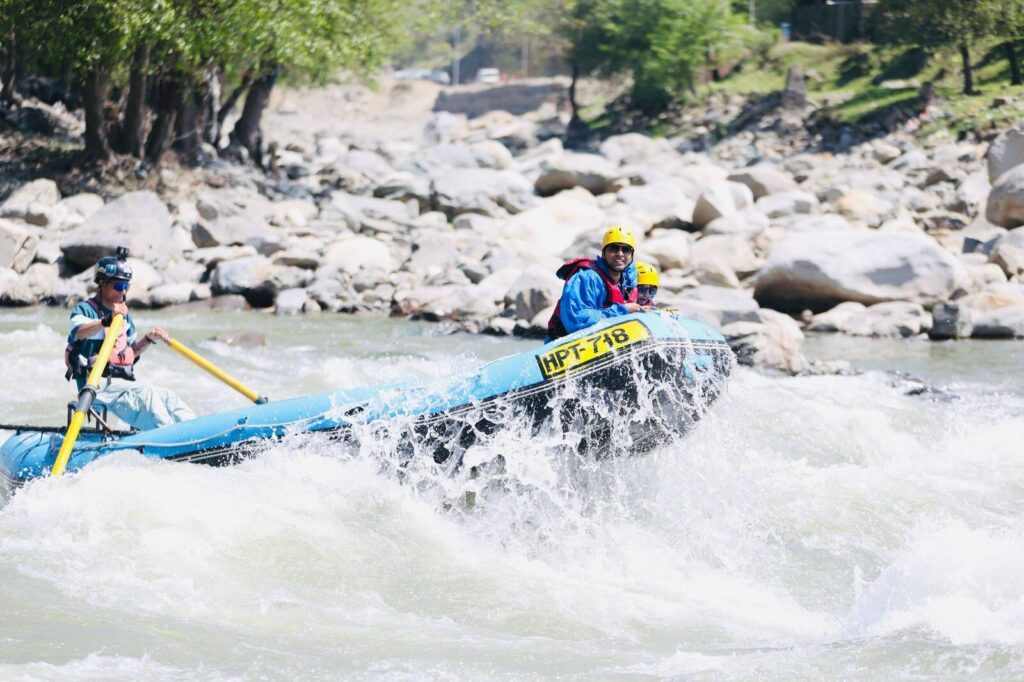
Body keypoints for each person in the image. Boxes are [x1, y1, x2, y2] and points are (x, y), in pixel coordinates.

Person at [65, 249, 195, 431]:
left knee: (167, 396)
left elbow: (130, 353)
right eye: (118, 286)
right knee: (147, 393)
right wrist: (106, 321)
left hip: (121, 383)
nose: (124, 291)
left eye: (127, 286)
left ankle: (195, 431)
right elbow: (79, 333)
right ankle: (173, 437)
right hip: (96, 386)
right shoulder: (84, 310)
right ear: (102, 284)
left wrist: (148, 340)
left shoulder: (124, 316)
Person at [546, 226, 650, 341]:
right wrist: (622, 310)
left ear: (631, 255)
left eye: (626, 250)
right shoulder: (586, 277)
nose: (620, 254)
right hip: (566, 342)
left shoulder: (628, 280)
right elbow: (576, 321)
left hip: (605, 340)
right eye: (614, 248)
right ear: (604, 253)